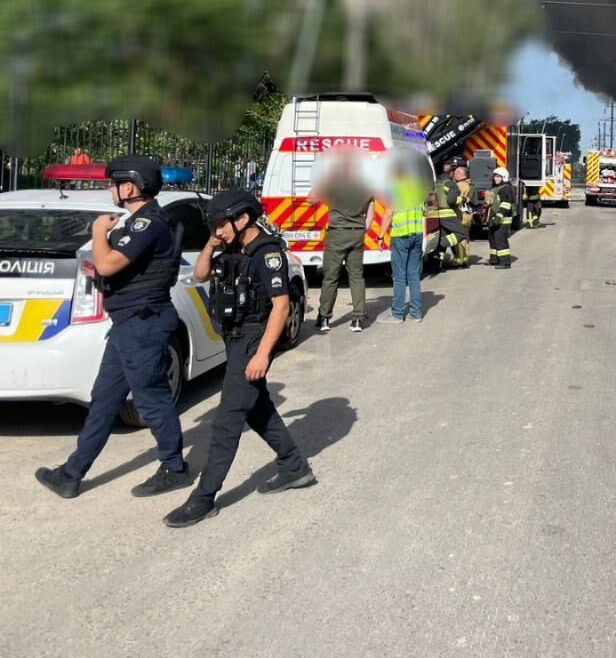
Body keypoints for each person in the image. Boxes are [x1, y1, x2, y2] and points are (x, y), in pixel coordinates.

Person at [35, 156, 193, 500]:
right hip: (127, 323)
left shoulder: (147, 224)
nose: (109, 189)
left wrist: (96, 231)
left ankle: (174, 467)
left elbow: (107, 265)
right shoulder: (135, 222)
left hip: (143, 323)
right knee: (104, 399)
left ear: (130, 186)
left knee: (151, 399)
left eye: (113, 183)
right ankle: (72, 473)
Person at [163, 190, 313, 528]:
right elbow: (200, 275)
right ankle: (295, 467)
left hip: (253, 339)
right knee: (257, 408)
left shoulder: (267, 253)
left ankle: (204, 498)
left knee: (227, 419)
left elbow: (281, 305)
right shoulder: (230, 246)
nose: (218, 230)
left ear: (242, 218)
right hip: (234, 339)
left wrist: (262, 354)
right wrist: (212, 245)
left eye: (221, 224)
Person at [311, 155, 375, 333]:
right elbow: (371, 212)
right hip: (357, 234)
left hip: (337, 234)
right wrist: (363, 229)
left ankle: (324, 318)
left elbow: (312, 198)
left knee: (331, 277)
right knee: (356, 277)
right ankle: (357, 319)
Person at [381, 156, 427, 323]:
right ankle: (416, 313)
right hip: (416, 235)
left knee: (399, 277)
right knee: (414, 275)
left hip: (400, 236)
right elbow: (423, 213)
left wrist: (380, 235)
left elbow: (388, 212)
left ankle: (398, 314)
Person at [429, 158, 468, 269]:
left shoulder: (436, 183)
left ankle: (436, 264)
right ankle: (437, 244)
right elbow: (451, 201)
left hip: (435, 214)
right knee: (460, 234)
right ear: (451, 173)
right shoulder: (451, 184)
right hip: (447, 214)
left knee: (444, 235)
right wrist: (462, 199)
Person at [486, 166, 516, 269]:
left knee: (500, 239)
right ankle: (494, 260)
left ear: (504, 177)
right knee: (492, 238)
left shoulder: (506, 189)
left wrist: (498, 217)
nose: (496, 179)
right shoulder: (496, 188)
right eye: (495, 176)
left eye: (498, 177)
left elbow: (506, 204)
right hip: (494, 218)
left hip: (503, 220)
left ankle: (505, 262)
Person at [451, 161, 474, 266]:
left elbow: (455, 200)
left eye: (455, 174)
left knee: (460, 237)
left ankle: (461, 258)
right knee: (466, 237)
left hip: (460, 215)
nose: (454, 176)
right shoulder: (470, 184)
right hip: (468, 215)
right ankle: (465, 257)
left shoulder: (460, 185)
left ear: (460, 174)